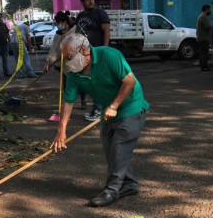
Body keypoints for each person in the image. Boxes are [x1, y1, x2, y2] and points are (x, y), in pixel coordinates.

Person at [51, 33, 149, 207]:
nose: (66, 62)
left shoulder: (109, 55)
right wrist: (61, 130)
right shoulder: (75, 74)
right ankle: (129, 184)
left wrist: (114, 105)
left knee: (120, 146)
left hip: (131, 105)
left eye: (68, 57)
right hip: (108, 108)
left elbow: (129, 81)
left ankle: (111, 190)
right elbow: (68, 102)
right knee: (110, 147)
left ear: (82, 50)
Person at [75, 0, 111, 121]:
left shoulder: (100, 13)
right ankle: (96, 108)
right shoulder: (80, 16)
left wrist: (104, 49)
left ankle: (99, 110)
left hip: (97, 52)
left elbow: (106, 31)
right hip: (84, 54)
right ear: (82, 1)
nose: (91, 1)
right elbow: (78, 34)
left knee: (97, 81)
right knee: (89, 82)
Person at [45, 10, 86, 109]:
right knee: (66, 87)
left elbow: (81, 45)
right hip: (64, 66)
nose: (58, 25)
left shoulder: (75, 31)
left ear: (65, 22)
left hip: (77, 64)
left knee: (81, 84)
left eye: (59, 23)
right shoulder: (58, 35)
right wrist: (49, 62)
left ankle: (83, 100)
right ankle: (67, 107)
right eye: (57, 23)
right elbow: (54, 50)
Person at [196, 4, 213, 72]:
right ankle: (205, 67)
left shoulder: (200, 16)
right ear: (206, 9)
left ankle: (202, 67)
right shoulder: (203, 17)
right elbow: (207, 27)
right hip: (204, 38)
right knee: (205, 53)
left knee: (201, 53)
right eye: (209, 9)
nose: (210, 11)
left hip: (200, 38)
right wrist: (211, 25)